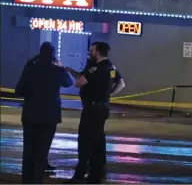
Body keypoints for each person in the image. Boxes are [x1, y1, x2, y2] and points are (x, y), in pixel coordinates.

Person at [66, 42, 125, 184]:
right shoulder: (111, 67)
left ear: (97, 52)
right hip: (102, 108)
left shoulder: (95, 68)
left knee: (85, 142)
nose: (89, 52)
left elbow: (79, 82)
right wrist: (107, 95)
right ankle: (97, 174)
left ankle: (79, 176)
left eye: (91, 50)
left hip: (91, 110)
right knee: (98, 142)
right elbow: (121, 84)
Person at [15, 42, 73, 184]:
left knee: (28, 151)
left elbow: (18, 91)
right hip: (49, 117)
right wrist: (61, 67)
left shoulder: (30, 68)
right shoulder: (56, 71)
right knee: (41, 152)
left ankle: (26, 181)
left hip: (30, 115)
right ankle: (37, 181)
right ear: (53, 56)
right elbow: (68, 82)